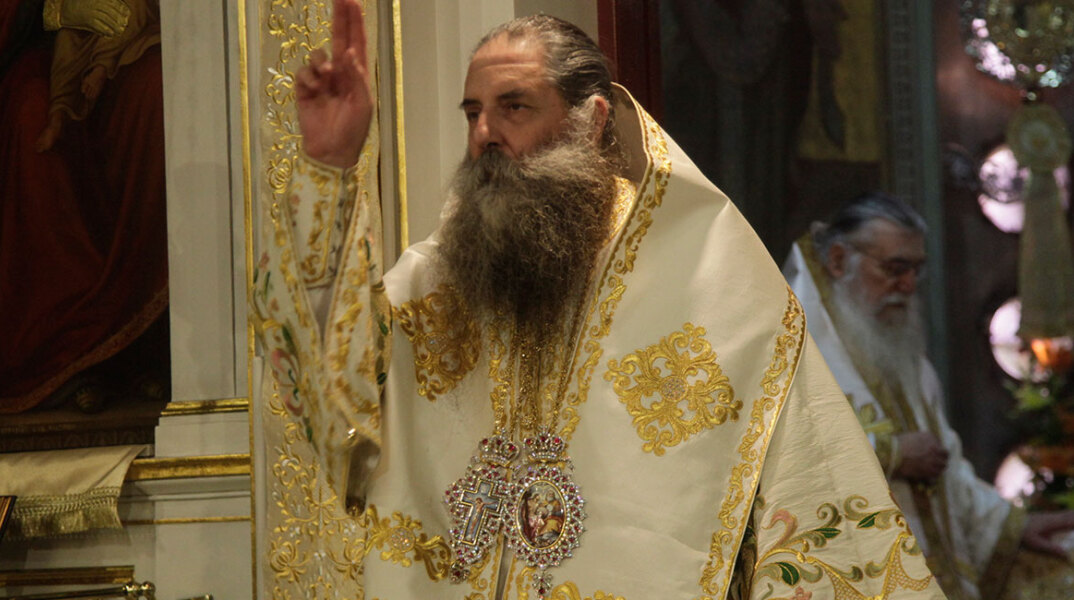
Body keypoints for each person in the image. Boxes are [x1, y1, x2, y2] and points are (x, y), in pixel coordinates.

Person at [253, 2, 945, 597]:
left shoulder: (706, 281)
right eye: (473, 113)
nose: (485, 135)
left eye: (514, 107)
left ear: (592, 120)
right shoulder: (441, 278)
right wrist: (329, 172)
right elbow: (330, 375)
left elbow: (808, 484)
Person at [783, 191, 1074, 600]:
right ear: (838, 260)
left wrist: (1010, 525)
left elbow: (945, 471)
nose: (908, 285)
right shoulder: (793, 353)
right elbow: (777, 464)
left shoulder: (901, 356)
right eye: (894, 268)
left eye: (916, 270)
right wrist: (893, 454)